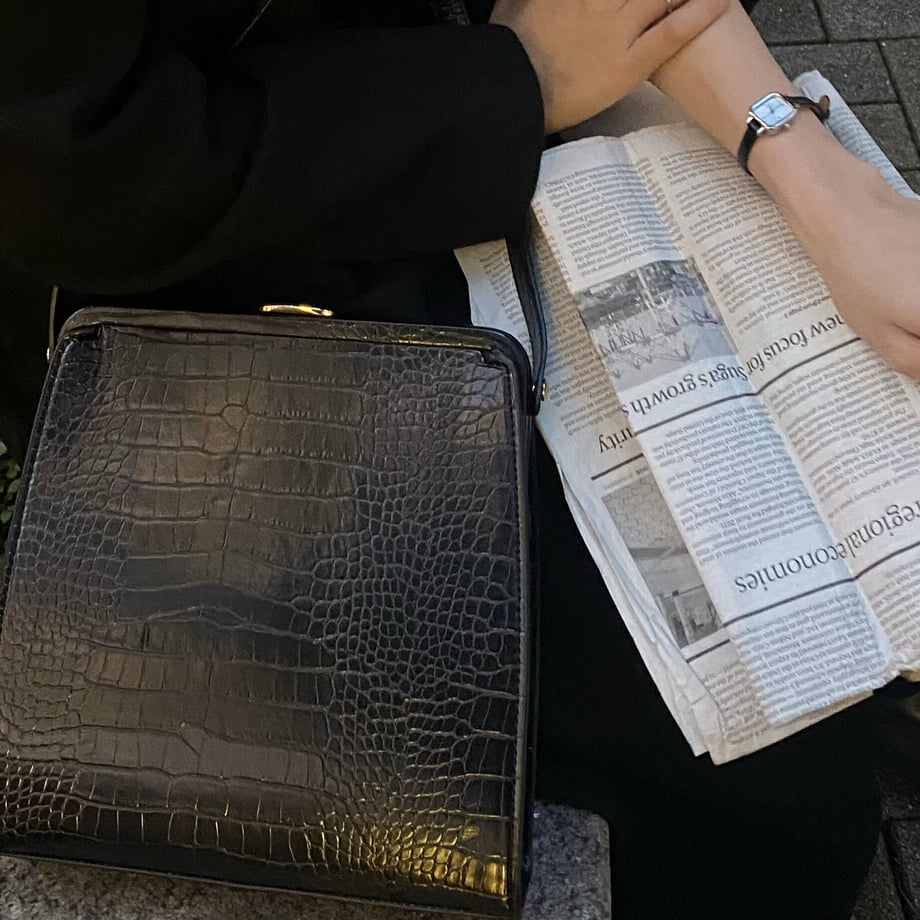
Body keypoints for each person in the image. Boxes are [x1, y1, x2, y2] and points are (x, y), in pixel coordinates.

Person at [1, 0, 914, 916]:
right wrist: (517, 81)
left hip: (476, 148)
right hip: (226, 305)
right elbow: (74, 166)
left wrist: (826, 184)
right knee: (783, 779)